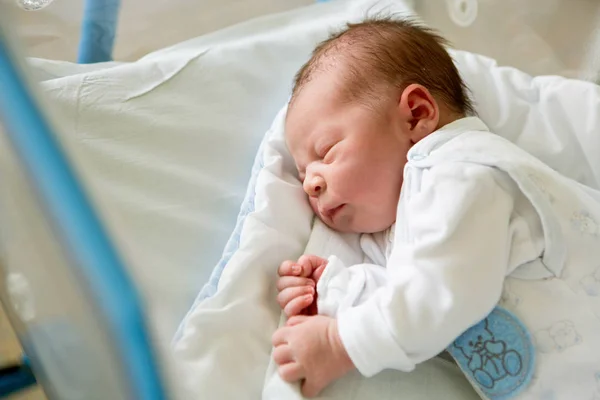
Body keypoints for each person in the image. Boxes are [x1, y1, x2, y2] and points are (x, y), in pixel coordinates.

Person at [271, 16, 600, 400]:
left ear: (416, 114)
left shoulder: (462, 170)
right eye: (304, 172)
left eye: (325, 151)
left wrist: (341, 343)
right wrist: (333, 288)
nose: (311, 182)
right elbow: (412, 285)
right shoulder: (406, 219)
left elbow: (440, 294)